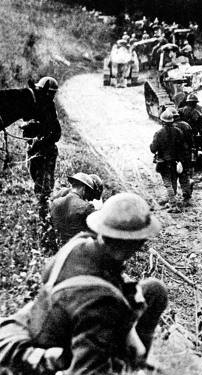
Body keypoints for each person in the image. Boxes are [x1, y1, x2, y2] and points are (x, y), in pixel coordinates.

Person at [0, 193, 167, 375]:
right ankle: (130, 367)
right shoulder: (102, 303)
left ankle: (134, 365)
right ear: (136, 244)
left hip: (50, 322)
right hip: (53, 355)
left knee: (153, 290)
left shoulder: (79, 244)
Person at [20, 77, 61, 220]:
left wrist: (41, 141)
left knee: (44, 187)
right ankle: (43, 211)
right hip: (34, 152)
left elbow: (56, 133)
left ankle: (45, 216)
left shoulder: (50, 108)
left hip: (47, 153)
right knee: (37, 180)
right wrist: (30, 133)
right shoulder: (34, 106)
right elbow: (27, 132)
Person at [150, 109, 185, 210]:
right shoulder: (178, 131)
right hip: (175, 161)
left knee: (167, 183)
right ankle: (171, 201)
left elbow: (153, 149)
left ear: (162, 121)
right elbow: (182, 147)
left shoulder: (159, 133)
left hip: (163, 162)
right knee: (173, 181)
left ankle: (173, 204)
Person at [49, 172, 97, 244]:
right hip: (77, 249)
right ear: (83, 188)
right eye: (88, 191)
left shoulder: (54, 203)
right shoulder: (87, 207)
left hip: (59, 248)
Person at [171, 108, 194, 205]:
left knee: (173, 176)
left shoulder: (172, 127)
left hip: (175, 155)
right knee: (185, 175)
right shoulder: (186, 125)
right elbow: (191, 141)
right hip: (186, 154)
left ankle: (173, 197)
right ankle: (187, 196)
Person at [179, 94, 202, 160]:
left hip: (181, 136)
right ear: (195, 103)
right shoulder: (198, 114)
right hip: (193, 137)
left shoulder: (180, 111)